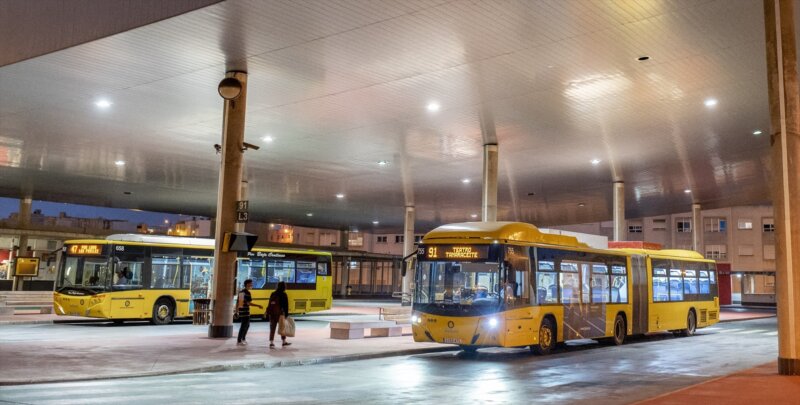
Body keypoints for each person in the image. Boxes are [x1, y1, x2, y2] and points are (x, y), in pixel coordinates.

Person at [236, 279, 262, 346]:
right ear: (247, 284)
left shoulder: (241, 292)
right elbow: (248, 303)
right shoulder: (247, 293)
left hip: (243, 311)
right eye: (251, 283)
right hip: (245, 312)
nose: (252, 285)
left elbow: (239, 303)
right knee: (244, 326)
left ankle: (242, 339)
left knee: (246, 325)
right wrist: (258, 305)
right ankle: (240, 340)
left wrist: (237, 311)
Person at [267, 281, 290, 348]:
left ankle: (271, 343)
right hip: (280, 313)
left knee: (272, 328)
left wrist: (268, 312)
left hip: (272, 313)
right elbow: (286, 305)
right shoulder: (284, 294)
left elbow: (269, 304)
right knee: (282, 328)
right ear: (284, 287)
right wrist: (286, 314)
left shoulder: (273, 293)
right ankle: (283, 341)